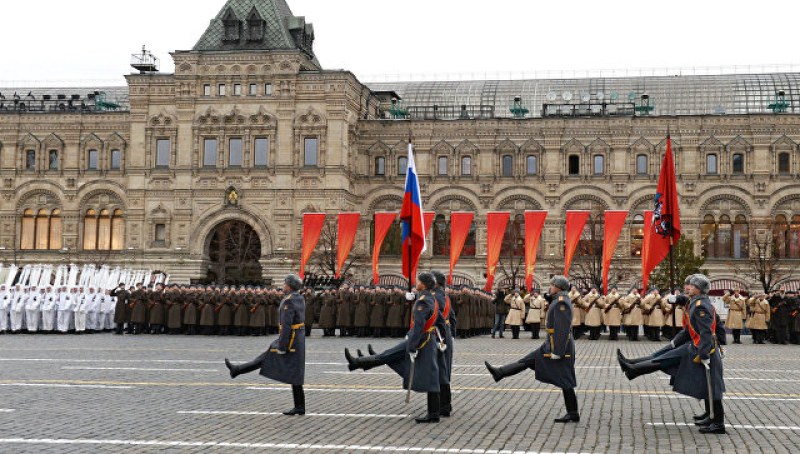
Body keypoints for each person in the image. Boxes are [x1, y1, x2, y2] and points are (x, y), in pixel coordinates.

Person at [617, 274, 726, 434]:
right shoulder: (696, 302)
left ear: (699, 289)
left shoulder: (701, 305)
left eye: (693, 285)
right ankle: (711, 417)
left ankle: (718, 423)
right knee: (706, 384)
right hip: (699, 347)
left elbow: (706, 332)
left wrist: (704, 354)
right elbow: (687, 305)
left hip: (704, 349)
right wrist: (676, 300)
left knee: (713, 387)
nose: (689, 287)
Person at [344, 273, 442, 423]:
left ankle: (357, 362)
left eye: (418, 281)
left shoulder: (423, 302)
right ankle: (357, 362)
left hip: (421, 340)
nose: (416, 283)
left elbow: (419, 326)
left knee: (391, 356)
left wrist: (412, 346)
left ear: (423, 284)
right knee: (395, 358)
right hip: (427, 340)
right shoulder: (430, 299)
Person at [484, 275, 580, 423]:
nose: (550, 286)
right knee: (528, 360)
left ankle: (573, 412)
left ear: (559, 287)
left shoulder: (562, 303)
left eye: (553, 284)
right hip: (551, 343)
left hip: (559, 346)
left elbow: (562, 328)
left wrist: (558, 351)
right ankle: (500, 372)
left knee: (565, 378)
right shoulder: (558, 300)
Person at [224, 274, 307, 416]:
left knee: (287, 367)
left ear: (290, 286)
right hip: (297, 338)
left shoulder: (288, 301)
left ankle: (237, 370)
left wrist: (282, 345)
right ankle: (237, 370)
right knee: (289, 368)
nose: (283, 285)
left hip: (290, 339)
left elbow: (286, 325)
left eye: (285, 283)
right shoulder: (298, 298)